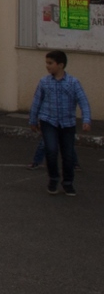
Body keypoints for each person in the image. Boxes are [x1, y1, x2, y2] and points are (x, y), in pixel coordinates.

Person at [29, 50, 91, 197]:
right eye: (47, 63)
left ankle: (68, 183)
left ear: (60, 65)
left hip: (67, 123)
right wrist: (33, 120)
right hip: (48, 121)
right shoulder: (44, 82)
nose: (47, 66)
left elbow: (83, 102)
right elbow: (37, 101)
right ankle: (53, 179)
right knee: (51, 150)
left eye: (50, 63)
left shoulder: (73, 82)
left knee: (68, 154)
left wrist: (86, 119)